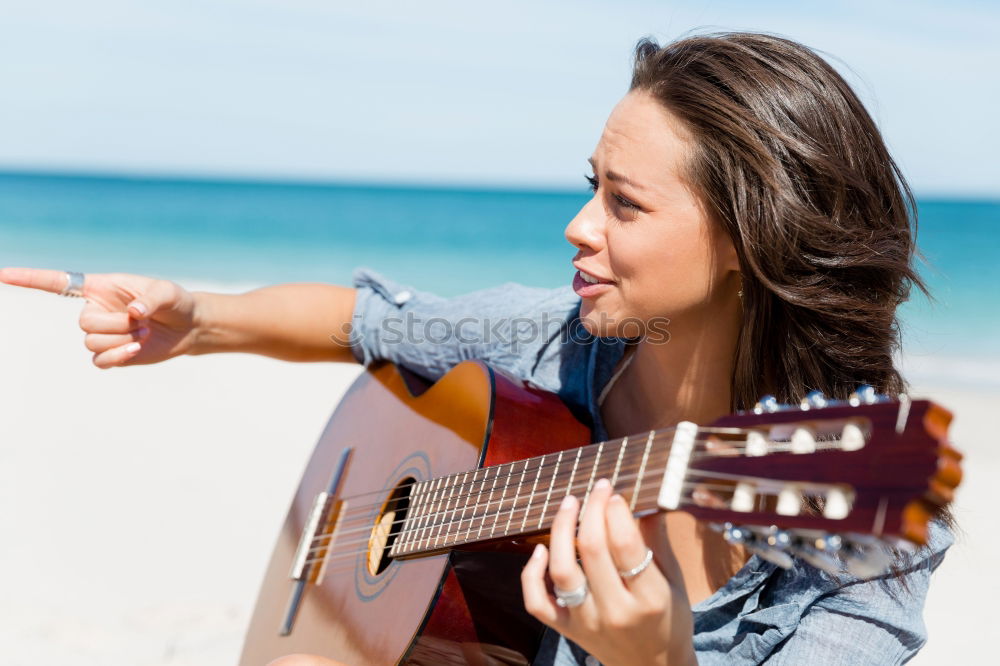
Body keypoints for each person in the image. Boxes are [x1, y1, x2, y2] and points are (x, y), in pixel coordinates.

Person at [0, 31, 952, 666]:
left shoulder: (870, 520)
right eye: (591, 185)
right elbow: (358, 319)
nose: (578, 226)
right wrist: (199, 323)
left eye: (625, 203)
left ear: (752, 240)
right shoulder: (552, 341)